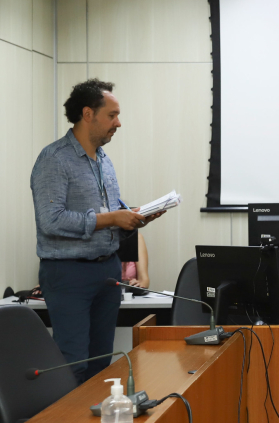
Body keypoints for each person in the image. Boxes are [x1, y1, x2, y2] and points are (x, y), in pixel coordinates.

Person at [30, 79, 165, 384]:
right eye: (112, 115)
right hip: (68, 274)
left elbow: (110, 209)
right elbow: (51, 220)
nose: (119, 122)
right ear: (88, 114)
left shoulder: (104, 161)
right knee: (74, 363)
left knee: (101, 364)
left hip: (107, 271)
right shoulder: (54, 159)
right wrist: (111, 219)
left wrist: (135, 217)